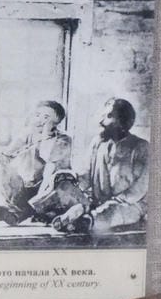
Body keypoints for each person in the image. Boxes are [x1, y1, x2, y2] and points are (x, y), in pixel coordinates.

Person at [48, 98, 149, 235]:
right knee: (74, 201)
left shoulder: (141, 147)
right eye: (103, 116)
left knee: (109, 212)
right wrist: (71, 178)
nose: (102, 122)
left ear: (124, 121)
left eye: (109, 116)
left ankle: (84, 222)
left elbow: (141, 187)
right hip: (97, 200)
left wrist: (116, 202)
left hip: (129, 205)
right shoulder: (97, 143)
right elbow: (86, 175)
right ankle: (71, 216)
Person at [0, 100, 73, 225]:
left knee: (51, 168)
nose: (40, 120)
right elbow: (10, 151)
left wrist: (46, 135)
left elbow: (48, 158)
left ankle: (26, 211)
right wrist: (5, 156)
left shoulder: (63, 139)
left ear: (56, 122)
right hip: (26, 186)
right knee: (2, 164)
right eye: (37, 115)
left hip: (46, 189)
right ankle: (3, 205)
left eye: (46, 117)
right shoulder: (29, 132)